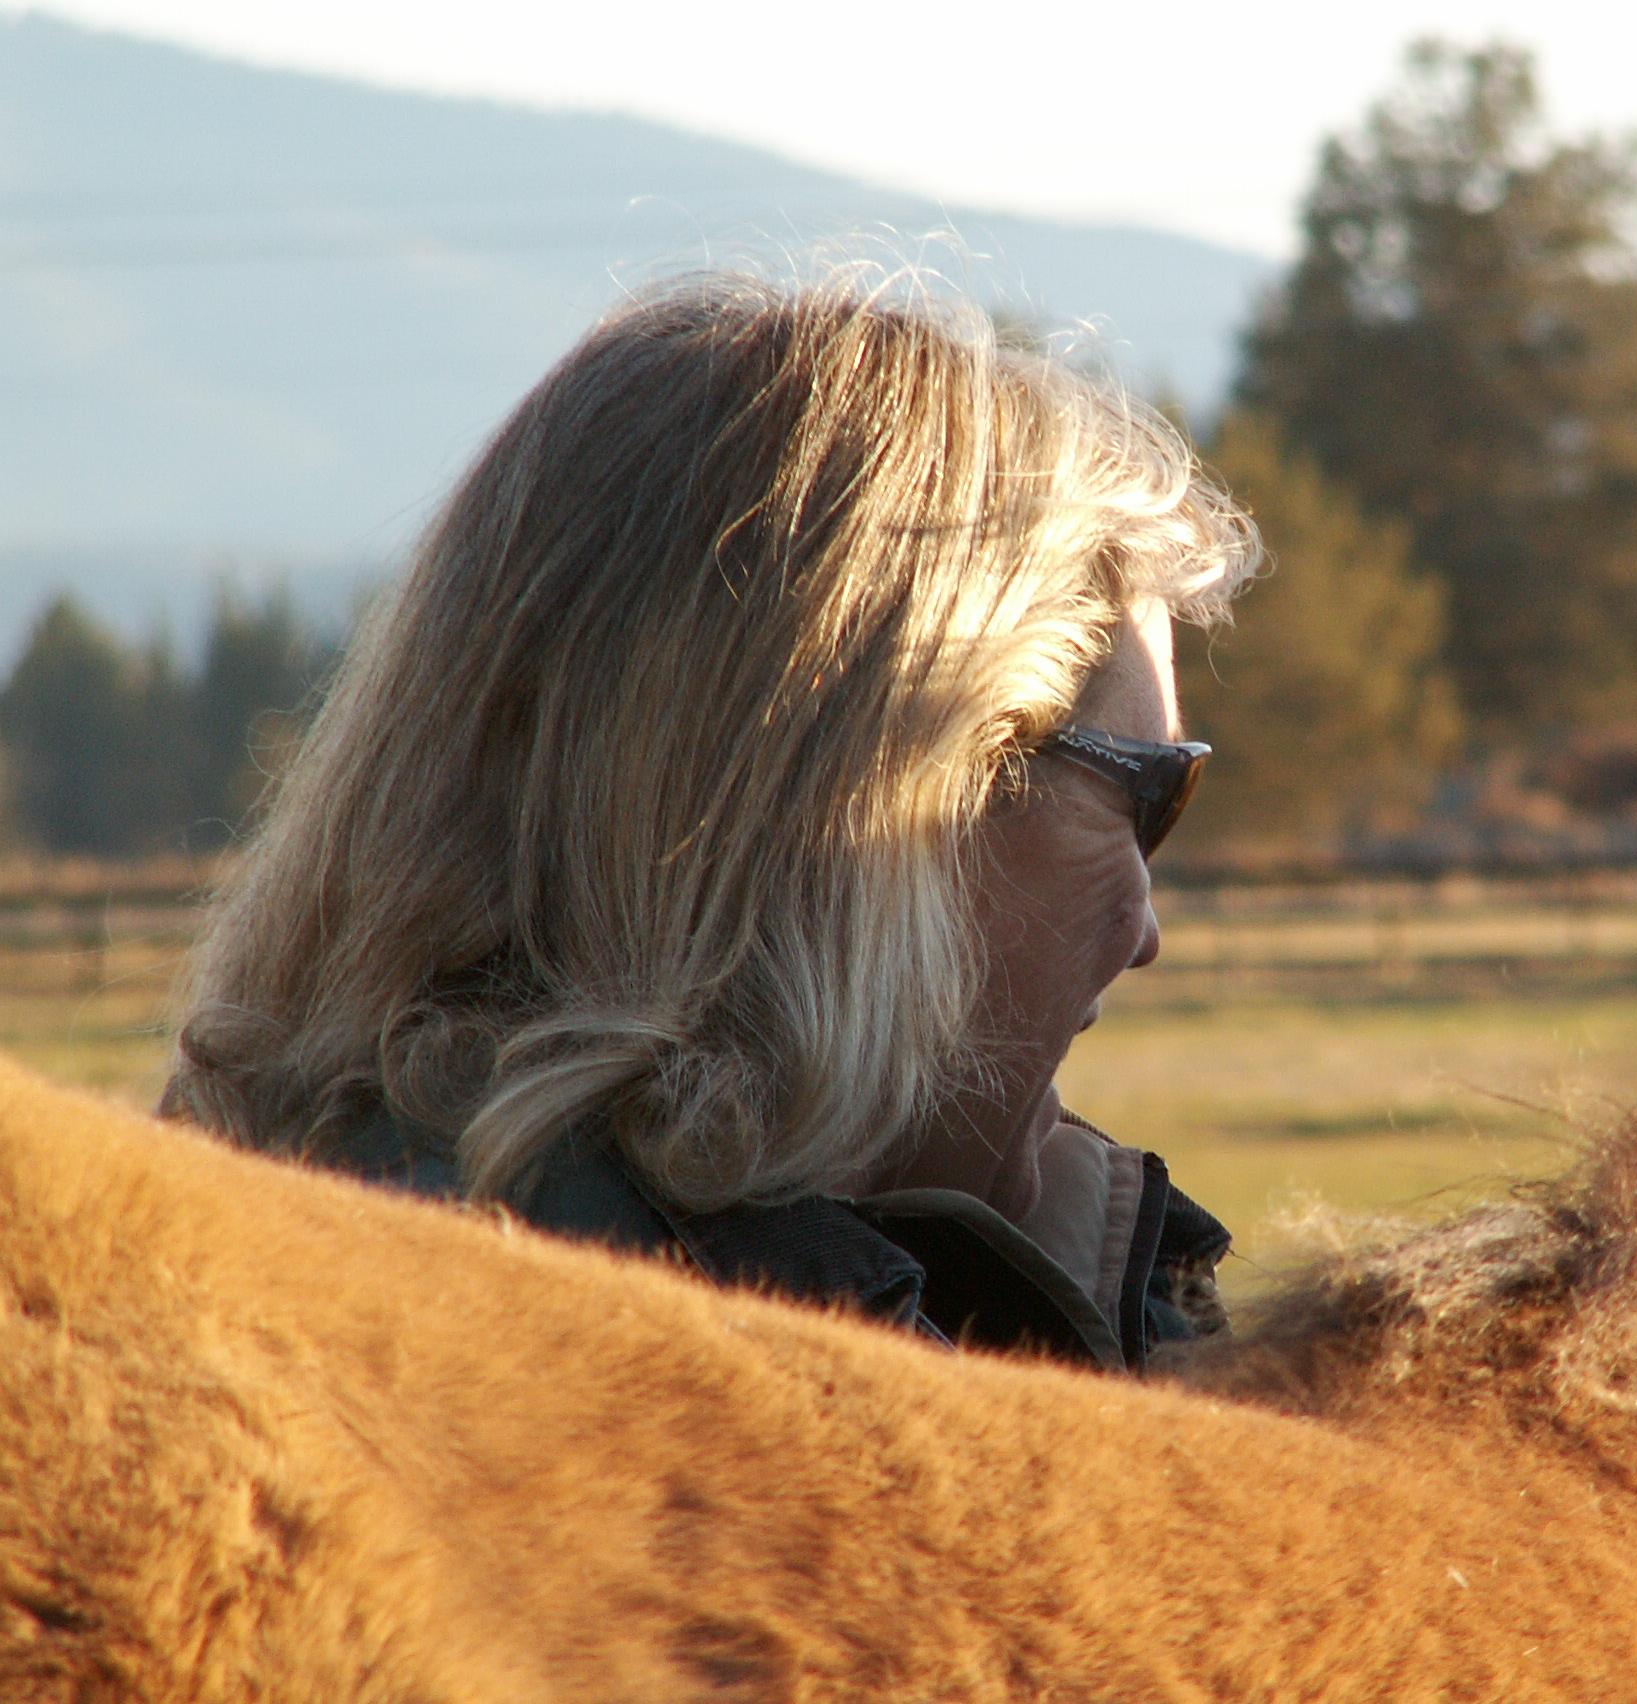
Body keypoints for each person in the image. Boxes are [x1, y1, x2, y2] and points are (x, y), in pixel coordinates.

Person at [161, 272, 1260, 1370]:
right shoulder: (627, 1396)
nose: (1145, 931)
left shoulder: (268, 1287)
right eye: (1148, 793)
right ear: (904, 796)